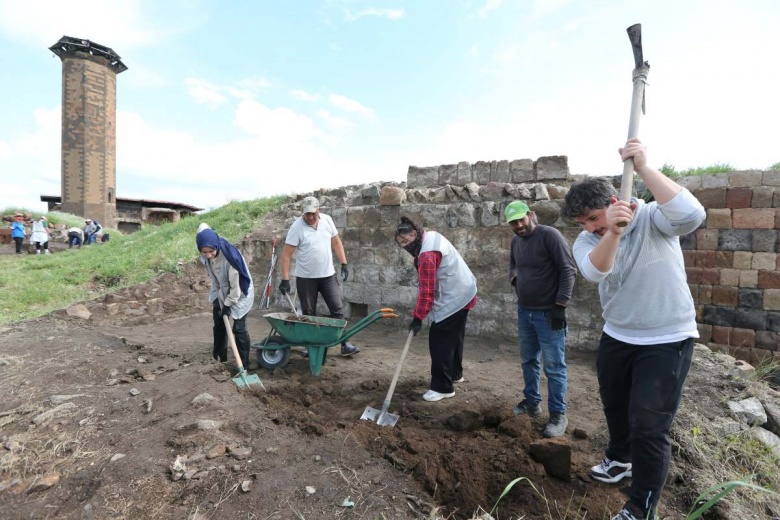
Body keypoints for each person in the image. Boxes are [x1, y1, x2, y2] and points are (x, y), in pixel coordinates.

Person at [562, 138, 705, 520]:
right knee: (614, 404)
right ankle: (620, 459)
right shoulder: (588, 237)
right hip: (619, 334)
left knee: (649, 423)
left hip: (666, 338)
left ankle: (641, 507)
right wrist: (610, 232)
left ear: (613, 202)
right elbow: (595, 272)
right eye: (584, 223)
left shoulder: (654, 217)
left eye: (593, 218)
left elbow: (692, 216)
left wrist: (642, 167)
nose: (589, 227)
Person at [505, 200, 577, 438]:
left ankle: (558, 413)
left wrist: (560, 306)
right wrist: (515, 278)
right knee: (528, 360)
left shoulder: (549, 236)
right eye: (512, 223)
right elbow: (514, 266)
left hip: (549, 314)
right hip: (525, 311)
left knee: (554, 367)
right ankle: (532, 403)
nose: (518, 225)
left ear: (530, 215)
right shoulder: (516, 241)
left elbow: (568, 269)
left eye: (520, 220)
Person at [395, 216, 477, 402]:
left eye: (406, 241)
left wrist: (418, 318)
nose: (404, 246)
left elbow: (427, 291)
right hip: (465, 289)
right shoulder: (429, 236)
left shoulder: (427, 255)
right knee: (454, 336)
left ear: (415, 234)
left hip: (455, 295)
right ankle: (455, 374)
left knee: (439, 339)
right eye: (400, 243)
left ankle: (442, 387)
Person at [278, 196, 360, 357]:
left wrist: (344, 263)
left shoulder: (327, 221)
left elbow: (336, 242)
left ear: (318, 210)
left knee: (337, 309)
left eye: (312, 214)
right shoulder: (297, 227)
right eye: (306, 214)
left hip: (328, 275)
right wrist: (284, 279)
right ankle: (311, 347)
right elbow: (286, 255)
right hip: (306, 278)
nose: (309, 217)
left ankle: (345, 343)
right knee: (309, 314)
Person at [196, 226, 255, 370]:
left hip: (240, 294)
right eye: (204, 252)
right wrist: (220, 302)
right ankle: (219, 359)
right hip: (221, 290)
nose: (208, 255)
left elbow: (236, 288)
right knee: (219, 324)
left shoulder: (230, 259)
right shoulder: (207, 254)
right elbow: (214, 277)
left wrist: (228, 305)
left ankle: (244, 365)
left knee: (239, 329)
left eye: (211, 251)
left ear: (216, 246)